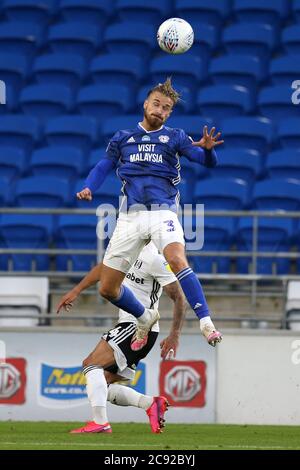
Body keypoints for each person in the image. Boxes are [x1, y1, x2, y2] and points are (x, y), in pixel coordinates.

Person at [77, 78, 223, 350]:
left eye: (166, 107)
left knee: (177, 259)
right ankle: (145, 316)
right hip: (130, 217)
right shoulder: (122, 138)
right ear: (146, 104)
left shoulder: (176, 137)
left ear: (169, 113)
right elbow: (103, 166)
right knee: (107, 289)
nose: (160, 110)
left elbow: (205, 161)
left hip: (162, 212)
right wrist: (88, 186)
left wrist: (210, 151)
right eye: (156, 104)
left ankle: (206, 322)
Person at [57, 242, 186, 434]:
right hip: (128, 327)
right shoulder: (124, 251)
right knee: (103, 385)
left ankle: (100, 422)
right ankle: (150, 404)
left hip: (139, 328)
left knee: (91, 364)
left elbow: (179, 297)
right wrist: (76, 291)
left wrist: (175, 334)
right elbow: (102, 269)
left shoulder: (155, 260)